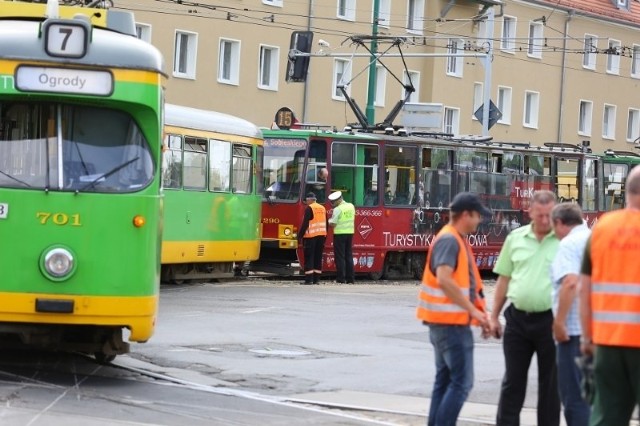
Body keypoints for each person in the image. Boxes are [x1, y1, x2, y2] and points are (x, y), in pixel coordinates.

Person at [416, 192, 492, 426]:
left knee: (445, 380)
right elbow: (445, 279)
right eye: (478, 216)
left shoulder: (452, 238)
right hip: (452, 324)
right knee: (461, 383)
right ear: (466, 215)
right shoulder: (450, 240)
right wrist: (475, 311)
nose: (480, 221)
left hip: (443, 322)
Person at [490, 189, 561, 426]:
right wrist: (493, 316)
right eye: (539, 215)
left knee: (550, 386)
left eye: (549, 216)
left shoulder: (563, 241)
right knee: (513, 381)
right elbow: (504, 280)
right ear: (529, 212)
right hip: (517, 321)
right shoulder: (515, 239)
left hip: (550, 322)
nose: (544, 221)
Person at [579, 166, 640, 426]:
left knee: (607, 417)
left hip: (607, 342)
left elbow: (585, 288)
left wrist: (587, 337)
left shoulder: (602, 228)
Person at [550, 203, 591, 426]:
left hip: (572, 332)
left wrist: (559, 323)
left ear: (559, 223)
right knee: (592, 396)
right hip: (596, 332)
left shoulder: (568, 244)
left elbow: (570, 283)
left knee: (574, 398)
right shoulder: (594, 238)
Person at [297, 192, 328, 285]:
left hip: (311, 237)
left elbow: (305, 224)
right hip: (321, 236)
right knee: (318, 257)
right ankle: (316, 279)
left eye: (306, 200)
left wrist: (299, 236)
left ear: (310, 199)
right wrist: (325, 236)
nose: (306, 202)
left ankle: (309, 280)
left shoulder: (309, 208)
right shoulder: (323, 208)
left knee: (309, 257)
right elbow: (326, 224)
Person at [328, 191, 355, 284]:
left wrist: (328, 221)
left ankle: (341, 278)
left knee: (340, 257)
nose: (332, 204)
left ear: (338, 200)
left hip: (339, 234)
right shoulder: (351, 206)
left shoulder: (337, 209)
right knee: (348, 255)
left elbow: (333, 223)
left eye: (333, 202)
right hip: (350, 233)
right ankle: (350, 279)